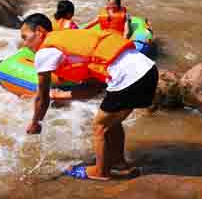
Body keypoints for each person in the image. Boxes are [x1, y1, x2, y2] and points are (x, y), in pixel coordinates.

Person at [19, 13, 156, 181]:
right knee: (111, 121)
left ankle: (100, 172)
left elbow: (41, 97)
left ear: (39, 32)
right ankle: (119, 163)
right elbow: (94, 88)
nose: (24, 43)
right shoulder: (71, 39)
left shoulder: (45, 52)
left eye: (25, 37)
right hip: (148, 71)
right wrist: (60, 95)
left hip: (128, 78)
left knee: (100, 126)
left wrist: (35, 123)